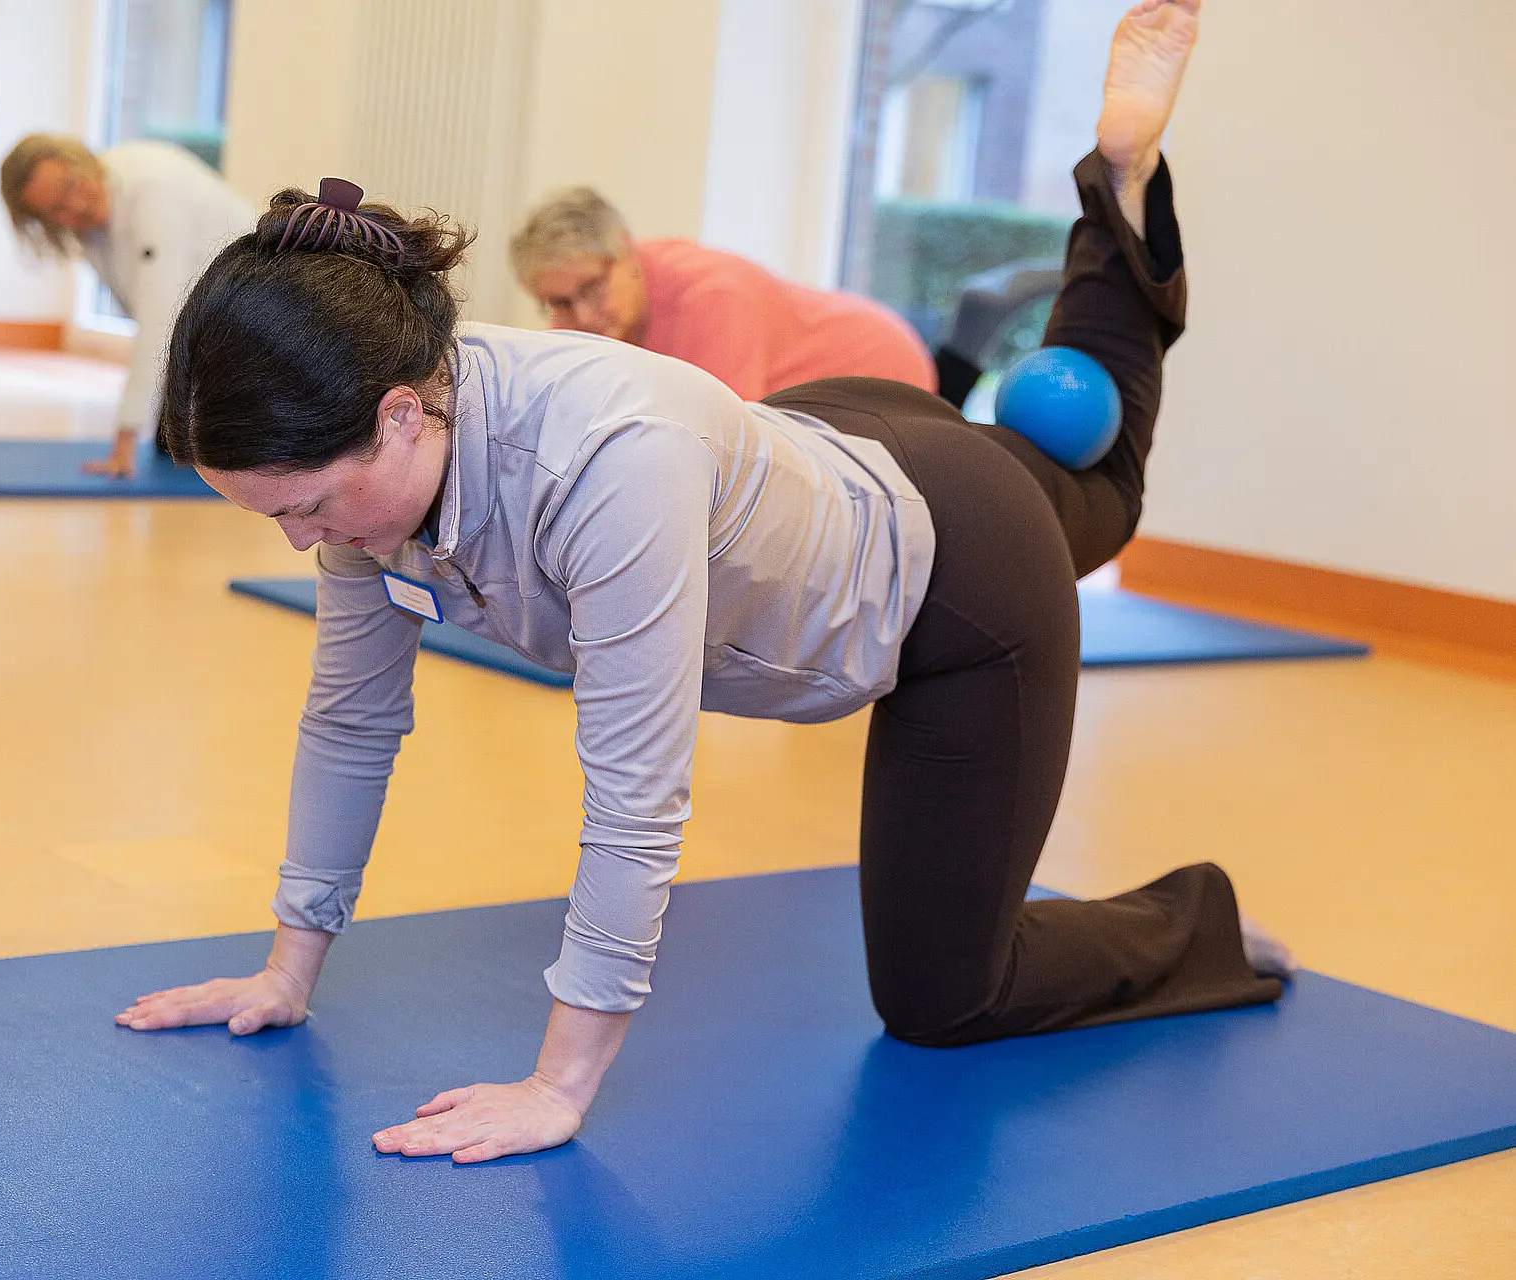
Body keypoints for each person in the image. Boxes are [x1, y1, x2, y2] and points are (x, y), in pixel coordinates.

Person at [120, 0, 1290, 1165]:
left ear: (398, 418)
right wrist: (287, 968)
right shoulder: (373, 414)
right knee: (1066, 458)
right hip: (821, 444)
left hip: (957, 577)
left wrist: (557, 1084)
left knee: (948, 993)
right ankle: (1123, 198)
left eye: (306, 507)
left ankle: (1200, 919)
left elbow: (634, 793)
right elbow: (351, 718)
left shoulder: (609, 466)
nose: (301, 541)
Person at [510, 189, 941, 402]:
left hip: (883, 375)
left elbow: (725, 453)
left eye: (592, 288)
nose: (583, 316)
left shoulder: (711, 299)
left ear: (626, 251)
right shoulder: (600, 309)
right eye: (560, 303)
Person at [0, 135, 255, 479]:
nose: (75, 206)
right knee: (173, 445)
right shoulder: (91, 229)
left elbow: (160, 317)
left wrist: (126, 439)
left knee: (213, 448)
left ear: (80, 160)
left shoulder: (151, 190)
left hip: (256, 323)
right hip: (210, 325)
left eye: (71, 186)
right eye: (57, 210)